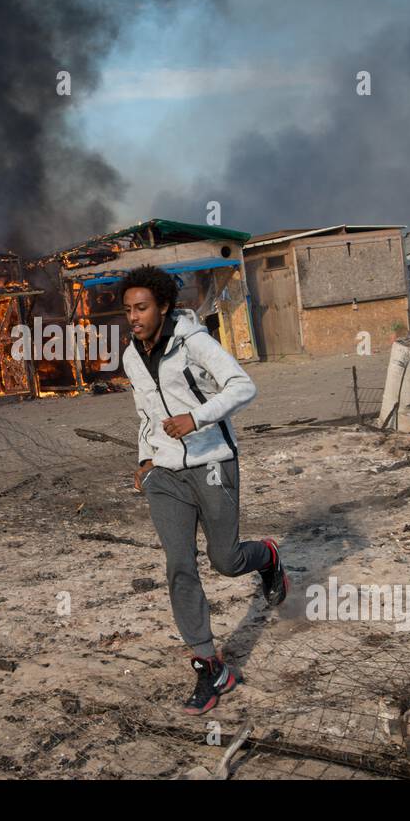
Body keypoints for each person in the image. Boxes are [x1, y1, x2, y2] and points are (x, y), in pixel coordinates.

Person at [120, 265, 288, 715]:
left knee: (226, 560)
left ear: (163, 307)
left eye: (141, 308)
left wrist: (196, 419)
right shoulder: (131, 357)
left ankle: (267, 556)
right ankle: (209, 667)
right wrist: (145, 459)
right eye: (128, 310)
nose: (133, 318)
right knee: (179, 564)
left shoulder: (193, 341)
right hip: (167, 476)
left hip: (213, 461)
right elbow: (145, 414)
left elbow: (242, 385)